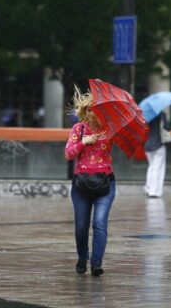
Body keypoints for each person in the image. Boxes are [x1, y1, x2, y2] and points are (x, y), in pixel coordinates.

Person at [64, 87, 115, 277]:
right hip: (81, 185)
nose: (93, 113)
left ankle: (96, 263)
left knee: (100, 223)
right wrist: (83, 142)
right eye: (90, 109)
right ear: (85, 112)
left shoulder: (110, 130)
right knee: (81, 227)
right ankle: (82, 257)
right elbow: (68, 154)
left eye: (97, 110)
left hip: (105, 183)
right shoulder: (78, 129)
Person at [144, 112, 170, 198]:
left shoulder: (145, 115)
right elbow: (167, 127)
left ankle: (148, 188)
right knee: (157, 168)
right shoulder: (161, 114)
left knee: (151, 166)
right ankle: (154, 191)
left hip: (147, 145)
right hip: (159, 144)